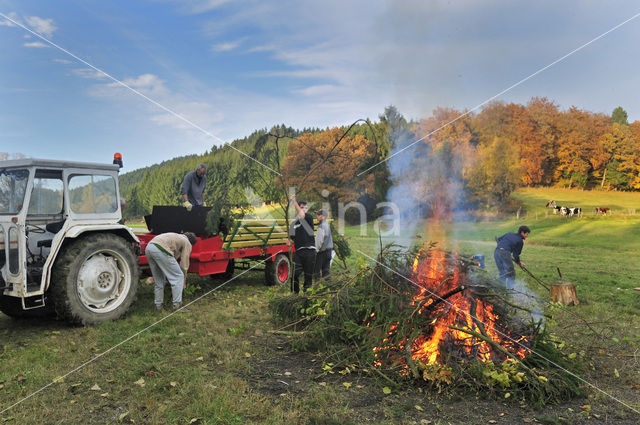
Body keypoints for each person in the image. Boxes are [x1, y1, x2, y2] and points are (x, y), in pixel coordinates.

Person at [146, 232, 197, 311]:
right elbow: (184, 263)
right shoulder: (187, 242)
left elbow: (171, 258)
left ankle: (158, 306)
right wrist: (184, 279)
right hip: (160, 248)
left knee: (159, 280)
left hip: (149, 247)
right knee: (178, 277)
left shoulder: (177, 237)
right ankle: (177, 306)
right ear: (191, 242)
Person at [288, 194, 316, 294]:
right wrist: (289, 242)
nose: (304, 209)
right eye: (302, 207)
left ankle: (306, 295)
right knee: (295, 274)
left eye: (306, 208)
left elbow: (302, 215)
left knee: (308, 276)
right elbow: (292, 240)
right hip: (298, 252)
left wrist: (294, 201)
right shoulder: (293, 224)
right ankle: (295, 294)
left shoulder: (309, 218)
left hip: (310, 251)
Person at [494, 225, 530, 289]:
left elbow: (498, 239)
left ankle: (500, 288)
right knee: (511, 273)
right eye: (526, 234)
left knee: (503, 272)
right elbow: (515, 255)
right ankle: (511, 289)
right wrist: (519, 263)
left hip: (496, 252)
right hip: (505, 253)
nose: (527, 236)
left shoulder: (509, 234)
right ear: (522, 233)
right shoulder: (520, 241)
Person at [314, 209, 333, 280]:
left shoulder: (321, 226)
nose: (317, 216)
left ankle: (317, 286)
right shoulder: (327, 225)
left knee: (316, 271)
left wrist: (316, 251)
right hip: (329, 251)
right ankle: (328, 285)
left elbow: (319, 241)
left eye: (319, 215)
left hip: (322, 252)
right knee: (326, 271)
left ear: (323, 216)